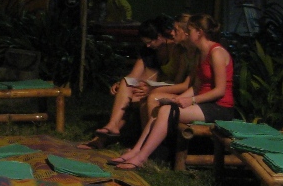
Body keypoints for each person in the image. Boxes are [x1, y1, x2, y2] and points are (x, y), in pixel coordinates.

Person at [110, 14, 234, 170]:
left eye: (189, 31)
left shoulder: (216, 52)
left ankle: (142, 157)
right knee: (162, 108)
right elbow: (195, 87)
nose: (186, 35)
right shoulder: (199, 54)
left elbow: (220, 91)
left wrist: (192, 101)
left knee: (166, 111)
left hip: (220, 107)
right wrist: (179, 99)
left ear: (199, 32)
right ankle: (137, 150)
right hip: (204, 103)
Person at [88, 15, 179, 143]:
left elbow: (178, 80)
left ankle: (103, 139)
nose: (147, 46)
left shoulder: (175, 48)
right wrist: (121, 83)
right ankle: (112, 125)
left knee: (137, 97)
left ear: (159, 36)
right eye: (145, 42)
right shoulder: (149, 50)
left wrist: (151, 87)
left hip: (169, 87)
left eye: (150, 42)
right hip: (153, 85)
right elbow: (134, 75)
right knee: (126, 83)